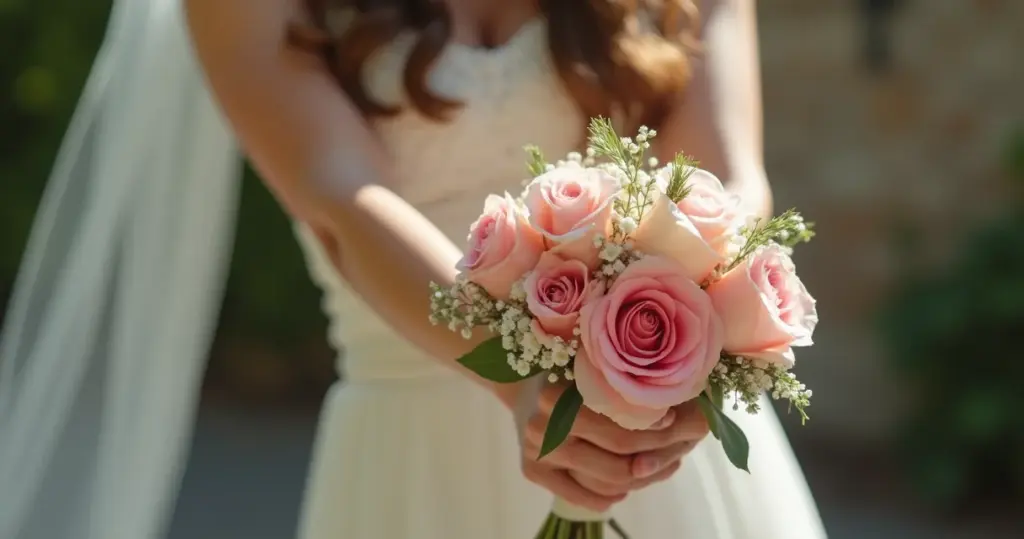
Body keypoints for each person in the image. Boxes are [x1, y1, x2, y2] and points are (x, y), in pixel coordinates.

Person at [0, 0, 827, 538]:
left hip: (666, 453)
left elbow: (729, 181)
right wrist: (523, 380)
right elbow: (341, 200)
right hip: (412, 465)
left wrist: (684, 368)